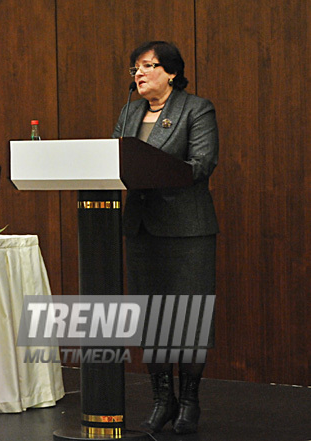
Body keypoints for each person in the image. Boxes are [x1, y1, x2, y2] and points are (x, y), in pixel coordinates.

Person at [112, 41, 219, 434]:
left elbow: (201, 164)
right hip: (142, 228)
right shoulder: (129, 113)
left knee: (189, 317)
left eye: (148, 66)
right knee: (152, 319)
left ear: (171, 72)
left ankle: (189, 399)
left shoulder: (196, 109)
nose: (139, 74)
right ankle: (163, 399)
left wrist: (152, 169)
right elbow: (114, 160)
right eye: (135, 68)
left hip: (186, 229)